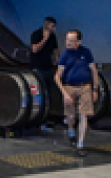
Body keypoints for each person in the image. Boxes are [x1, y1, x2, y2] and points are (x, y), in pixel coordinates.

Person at [54, 29, 99, 157]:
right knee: (71, 116)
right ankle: (71, 131)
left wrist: (95, 89)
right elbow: (57, 76)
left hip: (85, 86)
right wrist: (64, 93)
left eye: (72, 41)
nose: (68, 43)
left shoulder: (86, 52)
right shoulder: (65, 55)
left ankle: (80, 143)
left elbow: (94, 71)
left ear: (79, 42)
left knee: (83, 115)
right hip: (69, 87)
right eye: (67, 40)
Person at [30, 16, 60, 131]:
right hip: (38, 68)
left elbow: (55, 52)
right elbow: (34, 49)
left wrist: (59, 65)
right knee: (40, 95)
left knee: (49, 95)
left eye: (54, 27)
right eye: (52, 26)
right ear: (46, 25)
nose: (54, 29)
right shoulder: (36, 34)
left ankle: (46, 119)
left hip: (49, 68)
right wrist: (44, 39)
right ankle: (38, 121)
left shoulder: (53, 37)